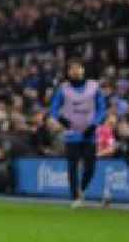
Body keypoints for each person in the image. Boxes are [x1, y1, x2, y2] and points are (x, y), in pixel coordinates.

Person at [49, 58, 106, 208]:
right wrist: (62, 120)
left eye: (77, 68)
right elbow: (53, 109)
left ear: (83, 70)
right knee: (72, 166)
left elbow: (102, 109)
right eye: (71, 69)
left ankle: (82, 188)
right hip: (72, 133)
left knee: (90, 166)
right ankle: (75, 197)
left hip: (89, 132)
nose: (75, 71)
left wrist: (94, 125)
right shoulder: (63, 89)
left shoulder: (94, 87)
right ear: (68, 72)